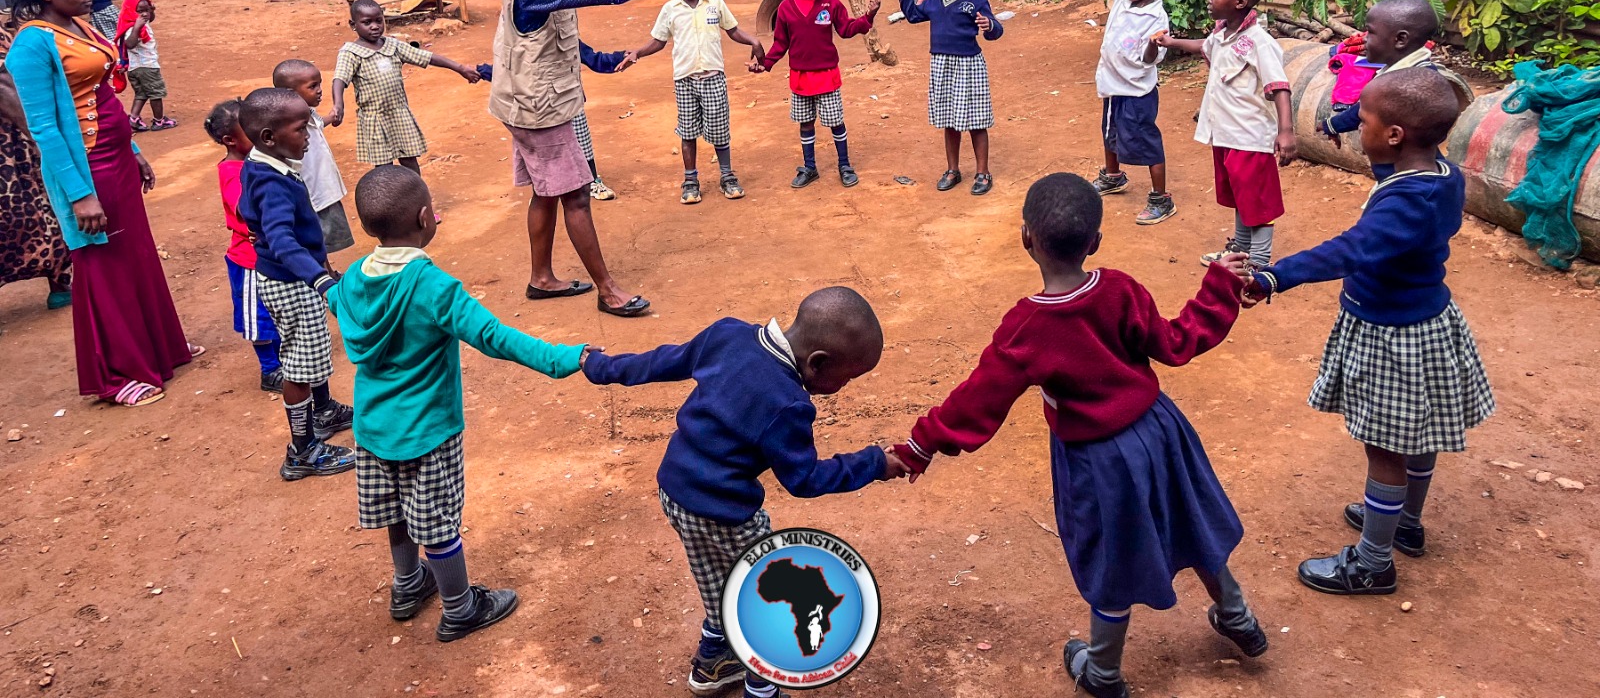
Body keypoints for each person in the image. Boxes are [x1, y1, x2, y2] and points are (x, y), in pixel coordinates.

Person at [891, 174, 1267, 697]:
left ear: (1026, 238)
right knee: (1188, 521)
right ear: (1095, 243)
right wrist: (1219, 286)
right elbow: (1177, 342)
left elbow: (978, 400)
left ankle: (1104, 672)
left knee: (1109, 556)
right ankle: (1238, 617)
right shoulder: (1118, 288)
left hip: (1097, 460)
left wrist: (920, 444)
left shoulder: (1026, 326)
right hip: (1160, 433)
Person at [582, 287, 905, 698]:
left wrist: (601, 366)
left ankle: (714, 662)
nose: (844, 387)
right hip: (727, 511)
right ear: (818, 363)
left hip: (676, 492)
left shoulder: (728, 335)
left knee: (720, 582)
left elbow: (663, 361)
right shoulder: (788, 404)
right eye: (848, 377)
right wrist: (874, 464)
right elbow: (804, 479)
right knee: (764, 603)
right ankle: (761, 689)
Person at [1245, 69, 1494, 597]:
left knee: (1384, 447)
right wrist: (1347, 120)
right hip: (1430, 321)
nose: (1357, 128)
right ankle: (1405, 520)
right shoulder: (1442, 175)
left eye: (1363, 121)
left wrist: (1274, 275)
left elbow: (1350, 250)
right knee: (1418, 435)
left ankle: (1373, 563)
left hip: (1391, 335)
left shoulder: (1404, 202)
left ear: (1396, 135)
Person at [329, 166, 591, 642]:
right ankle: (460, 607)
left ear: (369, 227)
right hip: (427, 430)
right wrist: (563, 357)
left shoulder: (351, 281)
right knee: (438, 523)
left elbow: (336, 300)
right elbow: (492, 336)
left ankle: (407, 586)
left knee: (397, 514)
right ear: (427, 218)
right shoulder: (433, 288)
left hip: (373, 429)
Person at [4, 0, 197, 407]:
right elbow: (44, 126)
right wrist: (79, 195)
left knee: (137, 253)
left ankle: (160, 348)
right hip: (86, 167)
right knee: (101, 264)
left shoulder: (77, 26)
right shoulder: (32, 43)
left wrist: (133, 150)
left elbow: (102, 98)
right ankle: (116, 374)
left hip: (116, 158)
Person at [476, 0, 678, 318]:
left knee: (547, 193)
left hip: (526, 102)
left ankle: (541, 277)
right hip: (538, 109)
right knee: (577, 195)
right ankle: (608, 291)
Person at [237, 87, 356, 480]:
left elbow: (246, 211)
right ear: (270, 137)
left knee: (312, 354)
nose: (309, 135)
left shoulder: (261, 166)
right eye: (302, 128)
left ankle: (322, 411)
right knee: (300, 368)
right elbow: (283, 238)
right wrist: (320, 279)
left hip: (289, 277)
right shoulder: (274, 182)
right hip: (290, 283)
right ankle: (302, 451)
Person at [1154, 0, 1295, 267]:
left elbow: (1279, 86)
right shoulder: (1221, 33)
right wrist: (1171, 42)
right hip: (1225, 134)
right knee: (1240, 196)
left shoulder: (1260, 43)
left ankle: (1257, 262)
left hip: (1250, 136)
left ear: (1240, 2)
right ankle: (1239, 252)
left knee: (1257, 200)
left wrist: (1285, 131)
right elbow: (1203, 46)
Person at [627, 0, 764, 203]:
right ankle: (690, 180)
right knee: (687, 132)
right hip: (685, 81)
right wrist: (638, 52)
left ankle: (727, 176)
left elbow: (732, 31)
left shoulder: (715, 4)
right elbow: (658, 41)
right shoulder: (670, 9)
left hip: (713, 79)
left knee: (720, 130)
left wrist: (753, 41)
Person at [750, 0, 879, 189]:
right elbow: (781, 43)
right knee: (806, 123)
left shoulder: (831, 3)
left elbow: (846, 29)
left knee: (835, 122)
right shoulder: (786, 8)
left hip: (827, 75)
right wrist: (765, 63)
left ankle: (845, 165)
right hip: (800, 77)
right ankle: (810, 167)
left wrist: (867, 17)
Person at [889, 0, 1004, 196]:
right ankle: (953, 170)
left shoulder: (976, 1)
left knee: (976, 121)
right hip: (942, 65)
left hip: (968, 66)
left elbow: (995, 31)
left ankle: (983, 172)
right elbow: (912, 15)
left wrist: (989, 25)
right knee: (948, 121)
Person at [329, 0, 481, 174]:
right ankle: (390, 200)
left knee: (409, 159)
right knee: (384, 167)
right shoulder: (351, 53)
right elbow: (340, 79)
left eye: (379, 20)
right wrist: (338, 105)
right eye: (367, 22)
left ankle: (417, 196)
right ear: (353, 25)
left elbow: (426, 57)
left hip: (399, 113)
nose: (375, 26)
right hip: (375, 119)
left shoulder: (392, 45)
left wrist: (460, 68)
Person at [1090, 0, 1175, 226]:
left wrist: (1152, 44)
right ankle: (1113, 176)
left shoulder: (1156, 18)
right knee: (1109, 131)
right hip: (1113, 86)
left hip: (1137, 92)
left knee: (1147, 142)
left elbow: (1151, 60)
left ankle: (1161, 198)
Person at [204, 98, 284, 392]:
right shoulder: (233, 172)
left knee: (274, 310)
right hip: (248, 258)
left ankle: (279, 363)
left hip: (265, 252)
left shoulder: (251, 162)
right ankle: (270, 370)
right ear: (230, 140)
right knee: (259, 316)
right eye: (250, 130)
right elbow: (244, 207)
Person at [1320, 0, 1443, 180]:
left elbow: (1362, 111)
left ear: (1400, 39)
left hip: (1402, 175)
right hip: (1422, 165)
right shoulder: (1419, 71)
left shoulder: (1401, 82)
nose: (1364, 39)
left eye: (1370, 32)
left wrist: (1331, 125)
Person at [0, 22, 74, 323]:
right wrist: (35, 135)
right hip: (12, 149)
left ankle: (61, 285)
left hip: (11, 145)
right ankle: (60, 284)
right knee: (35, 211)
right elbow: (4, 86)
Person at [273, 59, 355, 253]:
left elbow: (318, 123)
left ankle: (326, 271)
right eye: (313, 86)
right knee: (314, 240)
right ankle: (319, 276)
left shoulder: (308, 114)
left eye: (319, 84)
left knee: (320, 242)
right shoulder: (288, 125)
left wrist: (332, 117)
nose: (320, 90)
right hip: (314, 194)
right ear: (291, 93)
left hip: (324, 190)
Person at [575, 41, 629, 201]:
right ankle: (545, 191)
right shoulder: (528, 42)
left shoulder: (568, 36)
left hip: (571, 99)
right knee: (545, 146)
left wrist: (619, 58)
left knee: (583, 142)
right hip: (542, 104)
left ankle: (591, 181)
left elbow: (592, 58)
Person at [116, 0, 175, 131]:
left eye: (147, 10)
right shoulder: (133, 27)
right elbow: (129, 44)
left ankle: (134, 118)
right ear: (131, 11)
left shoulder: (138, 21)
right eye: (140, 11)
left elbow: (150, 18)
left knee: (141, 93)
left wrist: (152, 11)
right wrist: (137, 27)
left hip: (136, 68)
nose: (145, 14)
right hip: (147, 67)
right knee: (156, 93)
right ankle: (159, 121)